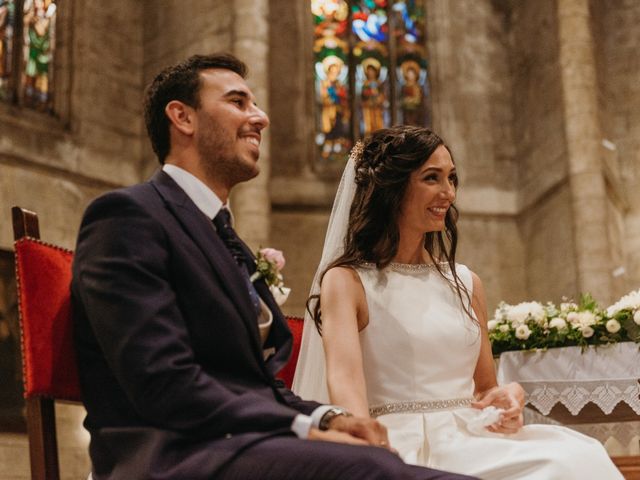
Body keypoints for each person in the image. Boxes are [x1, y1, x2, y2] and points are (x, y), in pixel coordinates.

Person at [71, 53, 476, 480]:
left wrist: (328, 418)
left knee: (377, 458)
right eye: (238, 102)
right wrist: (300, 428)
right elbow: (161, 381)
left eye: (255, 104)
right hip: (171, 456)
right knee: (372, 468)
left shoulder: (224, 238)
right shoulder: (127, 217)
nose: (260, 118)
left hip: (238, 445)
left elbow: (256, 386)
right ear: (182, 117)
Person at [292, 125, 624, 479]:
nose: (448, 192)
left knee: (580, 458)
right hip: (398, 443)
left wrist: (507, 397)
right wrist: (374, 457)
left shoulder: (467, 283)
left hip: (472, 434)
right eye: (431, 178)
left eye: (452, 178)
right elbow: (346, 391)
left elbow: (484, 387)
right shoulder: (347, 281)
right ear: (391, 188)